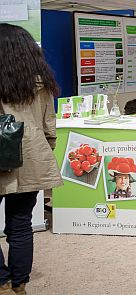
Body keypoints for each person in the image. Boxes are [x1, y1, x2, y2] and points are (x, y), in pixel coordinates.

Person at [0, 24, 63, 295]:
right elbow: (51, 129)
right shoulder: (43, 84)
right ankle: (18, 284)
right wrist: (41, 152)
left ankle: (1, 281)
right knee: (21, 223)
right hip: (33, 158)